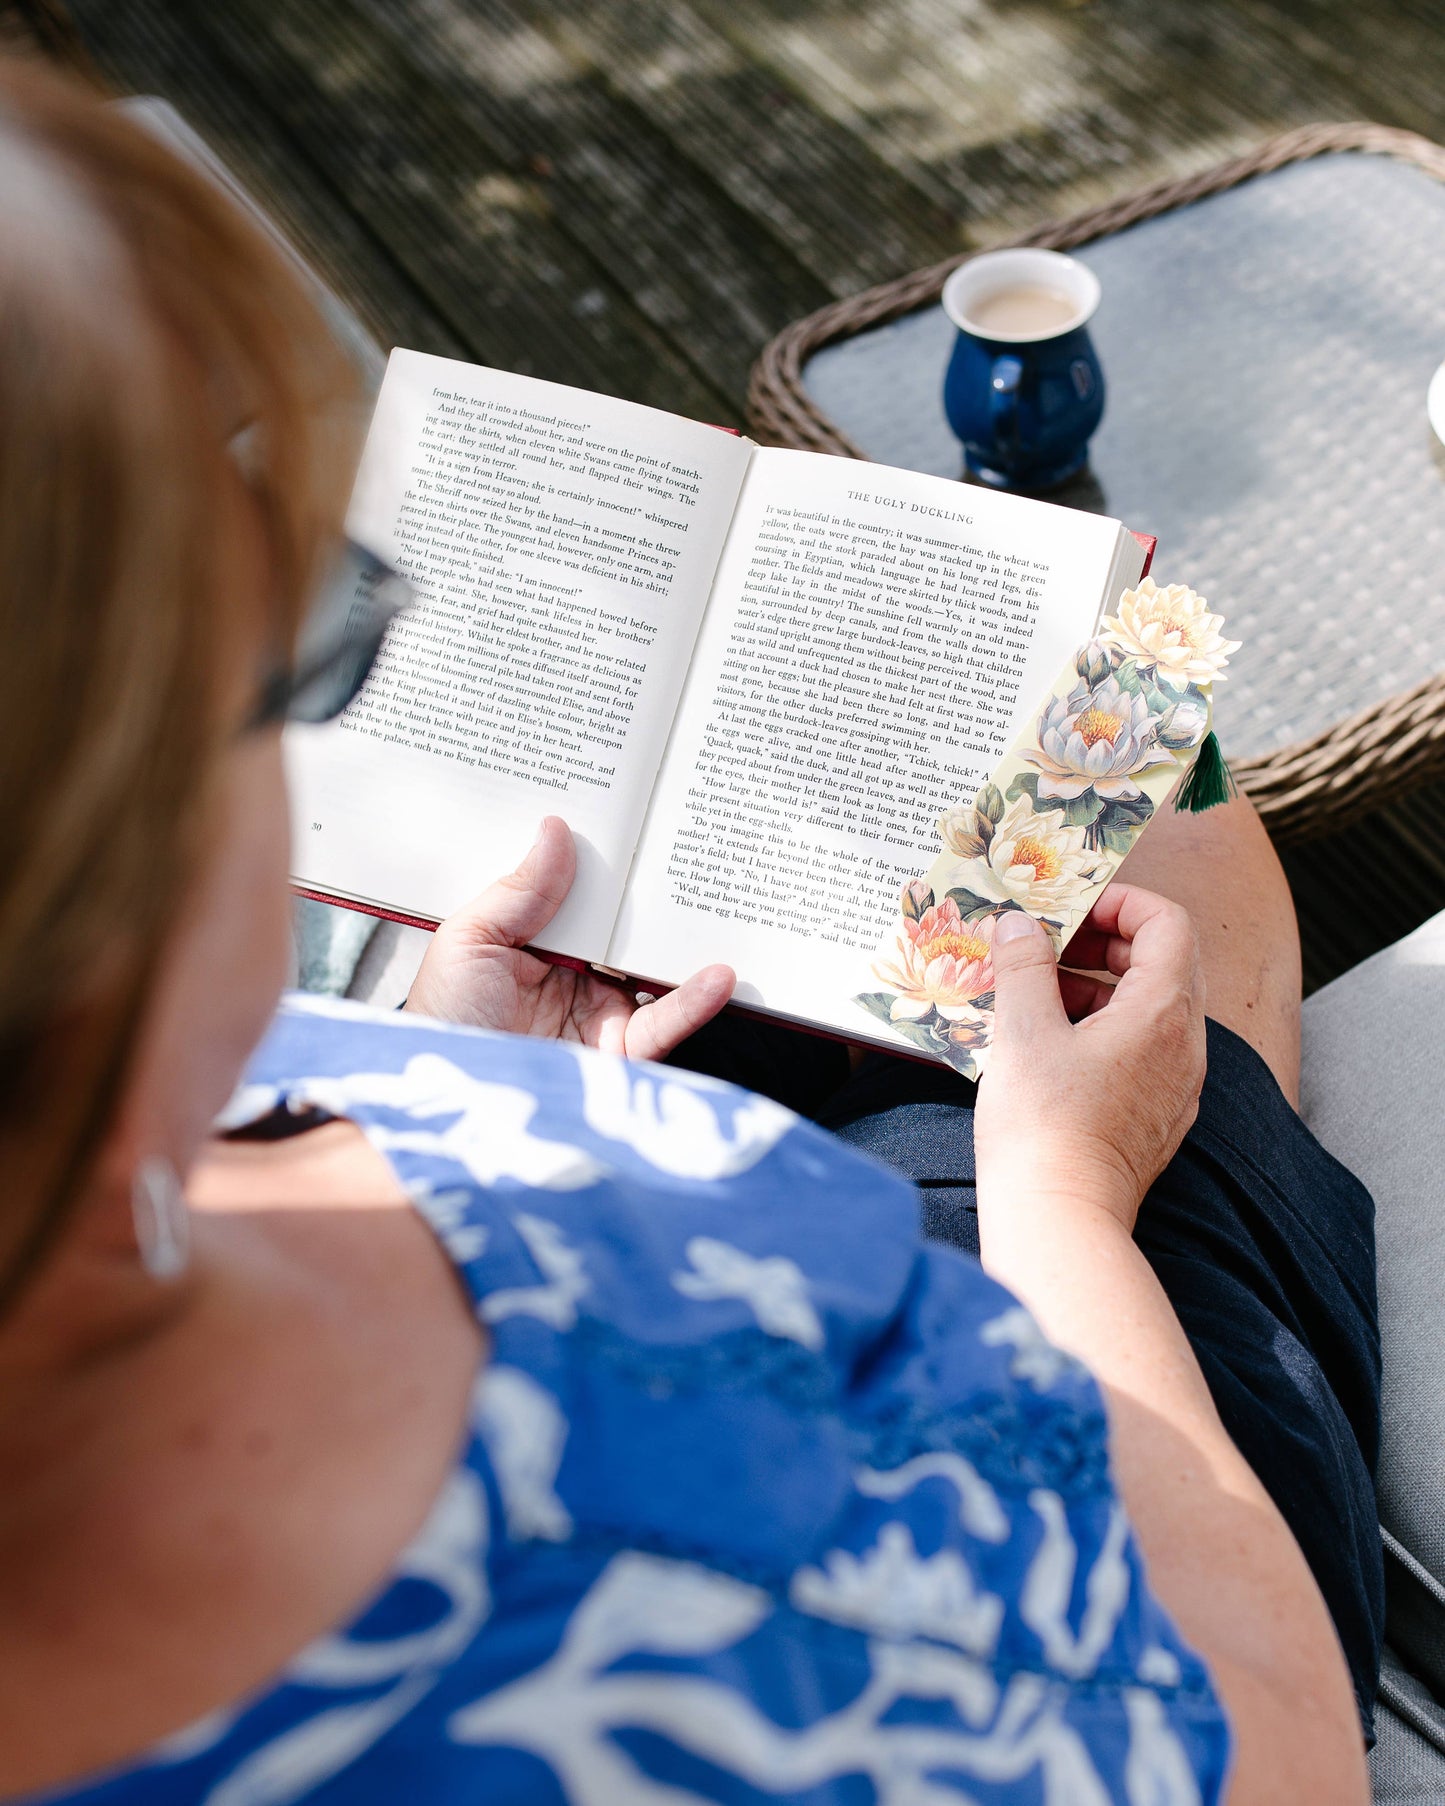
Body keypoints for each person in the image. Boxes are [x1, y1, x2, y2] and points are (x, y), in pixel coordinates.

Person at [0, 60, 1377, 1805]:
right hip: (1101, 1444)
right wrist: (1072, 1198)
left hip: (625, 1152)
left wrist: (436, 1078)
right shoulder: (655, 1603)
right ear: (84, 866)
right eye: (292, 660)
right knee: (1157, 800)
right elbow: (1269, 1753)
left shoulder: (163, 1166)